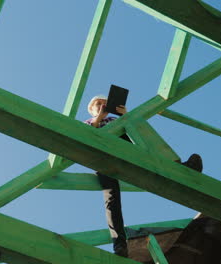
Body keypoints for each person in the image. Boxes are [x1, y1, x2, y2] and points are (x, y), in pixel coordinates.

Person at [84, 95, 203, 257]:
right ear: (91, 110)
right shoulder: (89, 122)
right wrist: (99, 118)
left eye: (105, 103)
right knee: (112, 201)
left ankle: (182, 169)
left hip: (128, 154)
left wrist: (126, 115)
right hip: (104, 160)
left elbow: (136, 134)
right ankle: (120, 245)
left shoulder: (115, 120)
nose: (102, 106)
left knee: (144, 138)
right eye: (98, 104)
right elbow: (88, 134)